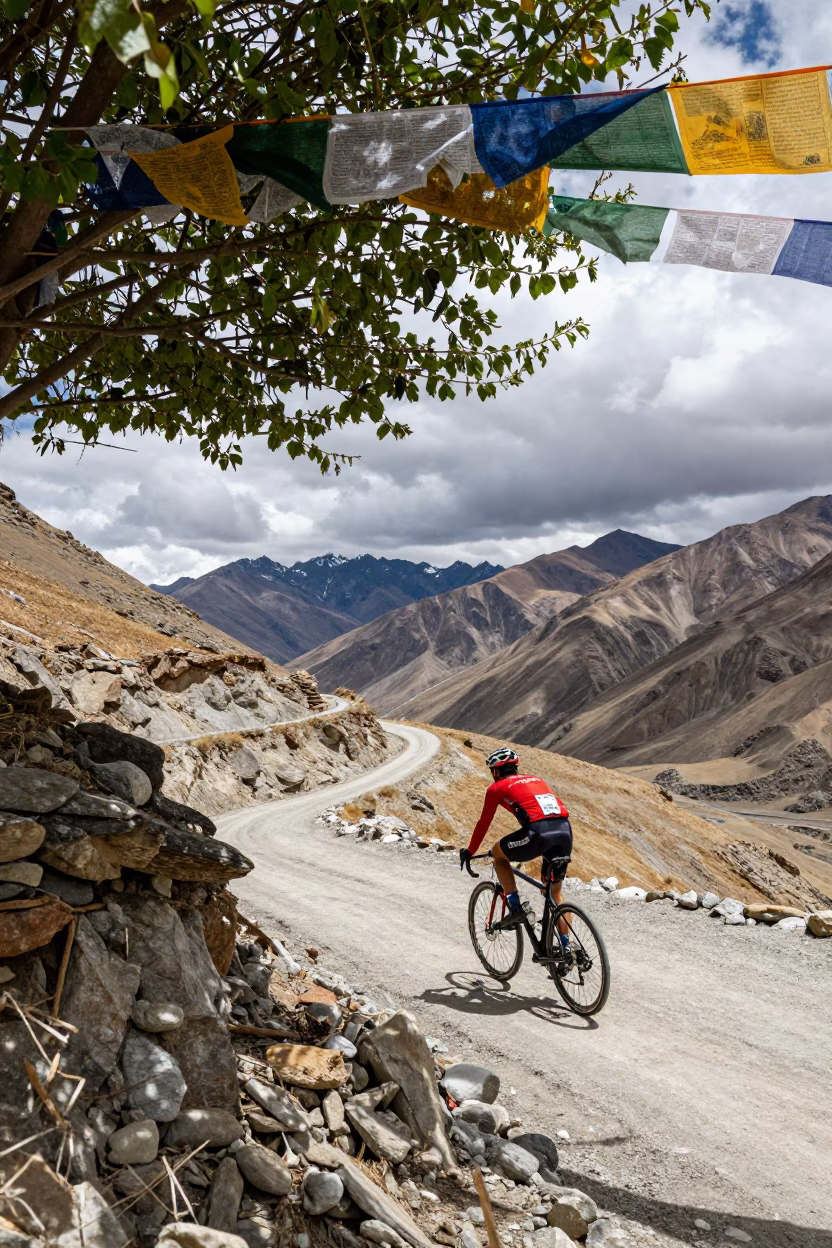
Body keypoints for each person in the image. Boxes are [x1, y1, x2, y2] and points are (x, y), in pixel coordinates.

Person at [459, 747, 572, 939]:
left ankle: (516, 908)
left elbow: (483, 823)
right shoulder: (538, 780)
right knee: (554, 894)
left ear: (496, 771)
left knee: (498, 855)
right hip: (565, 831)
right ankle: (568, 948)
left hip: (538, 832)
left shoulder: (496, 788)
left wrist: (470, 851)